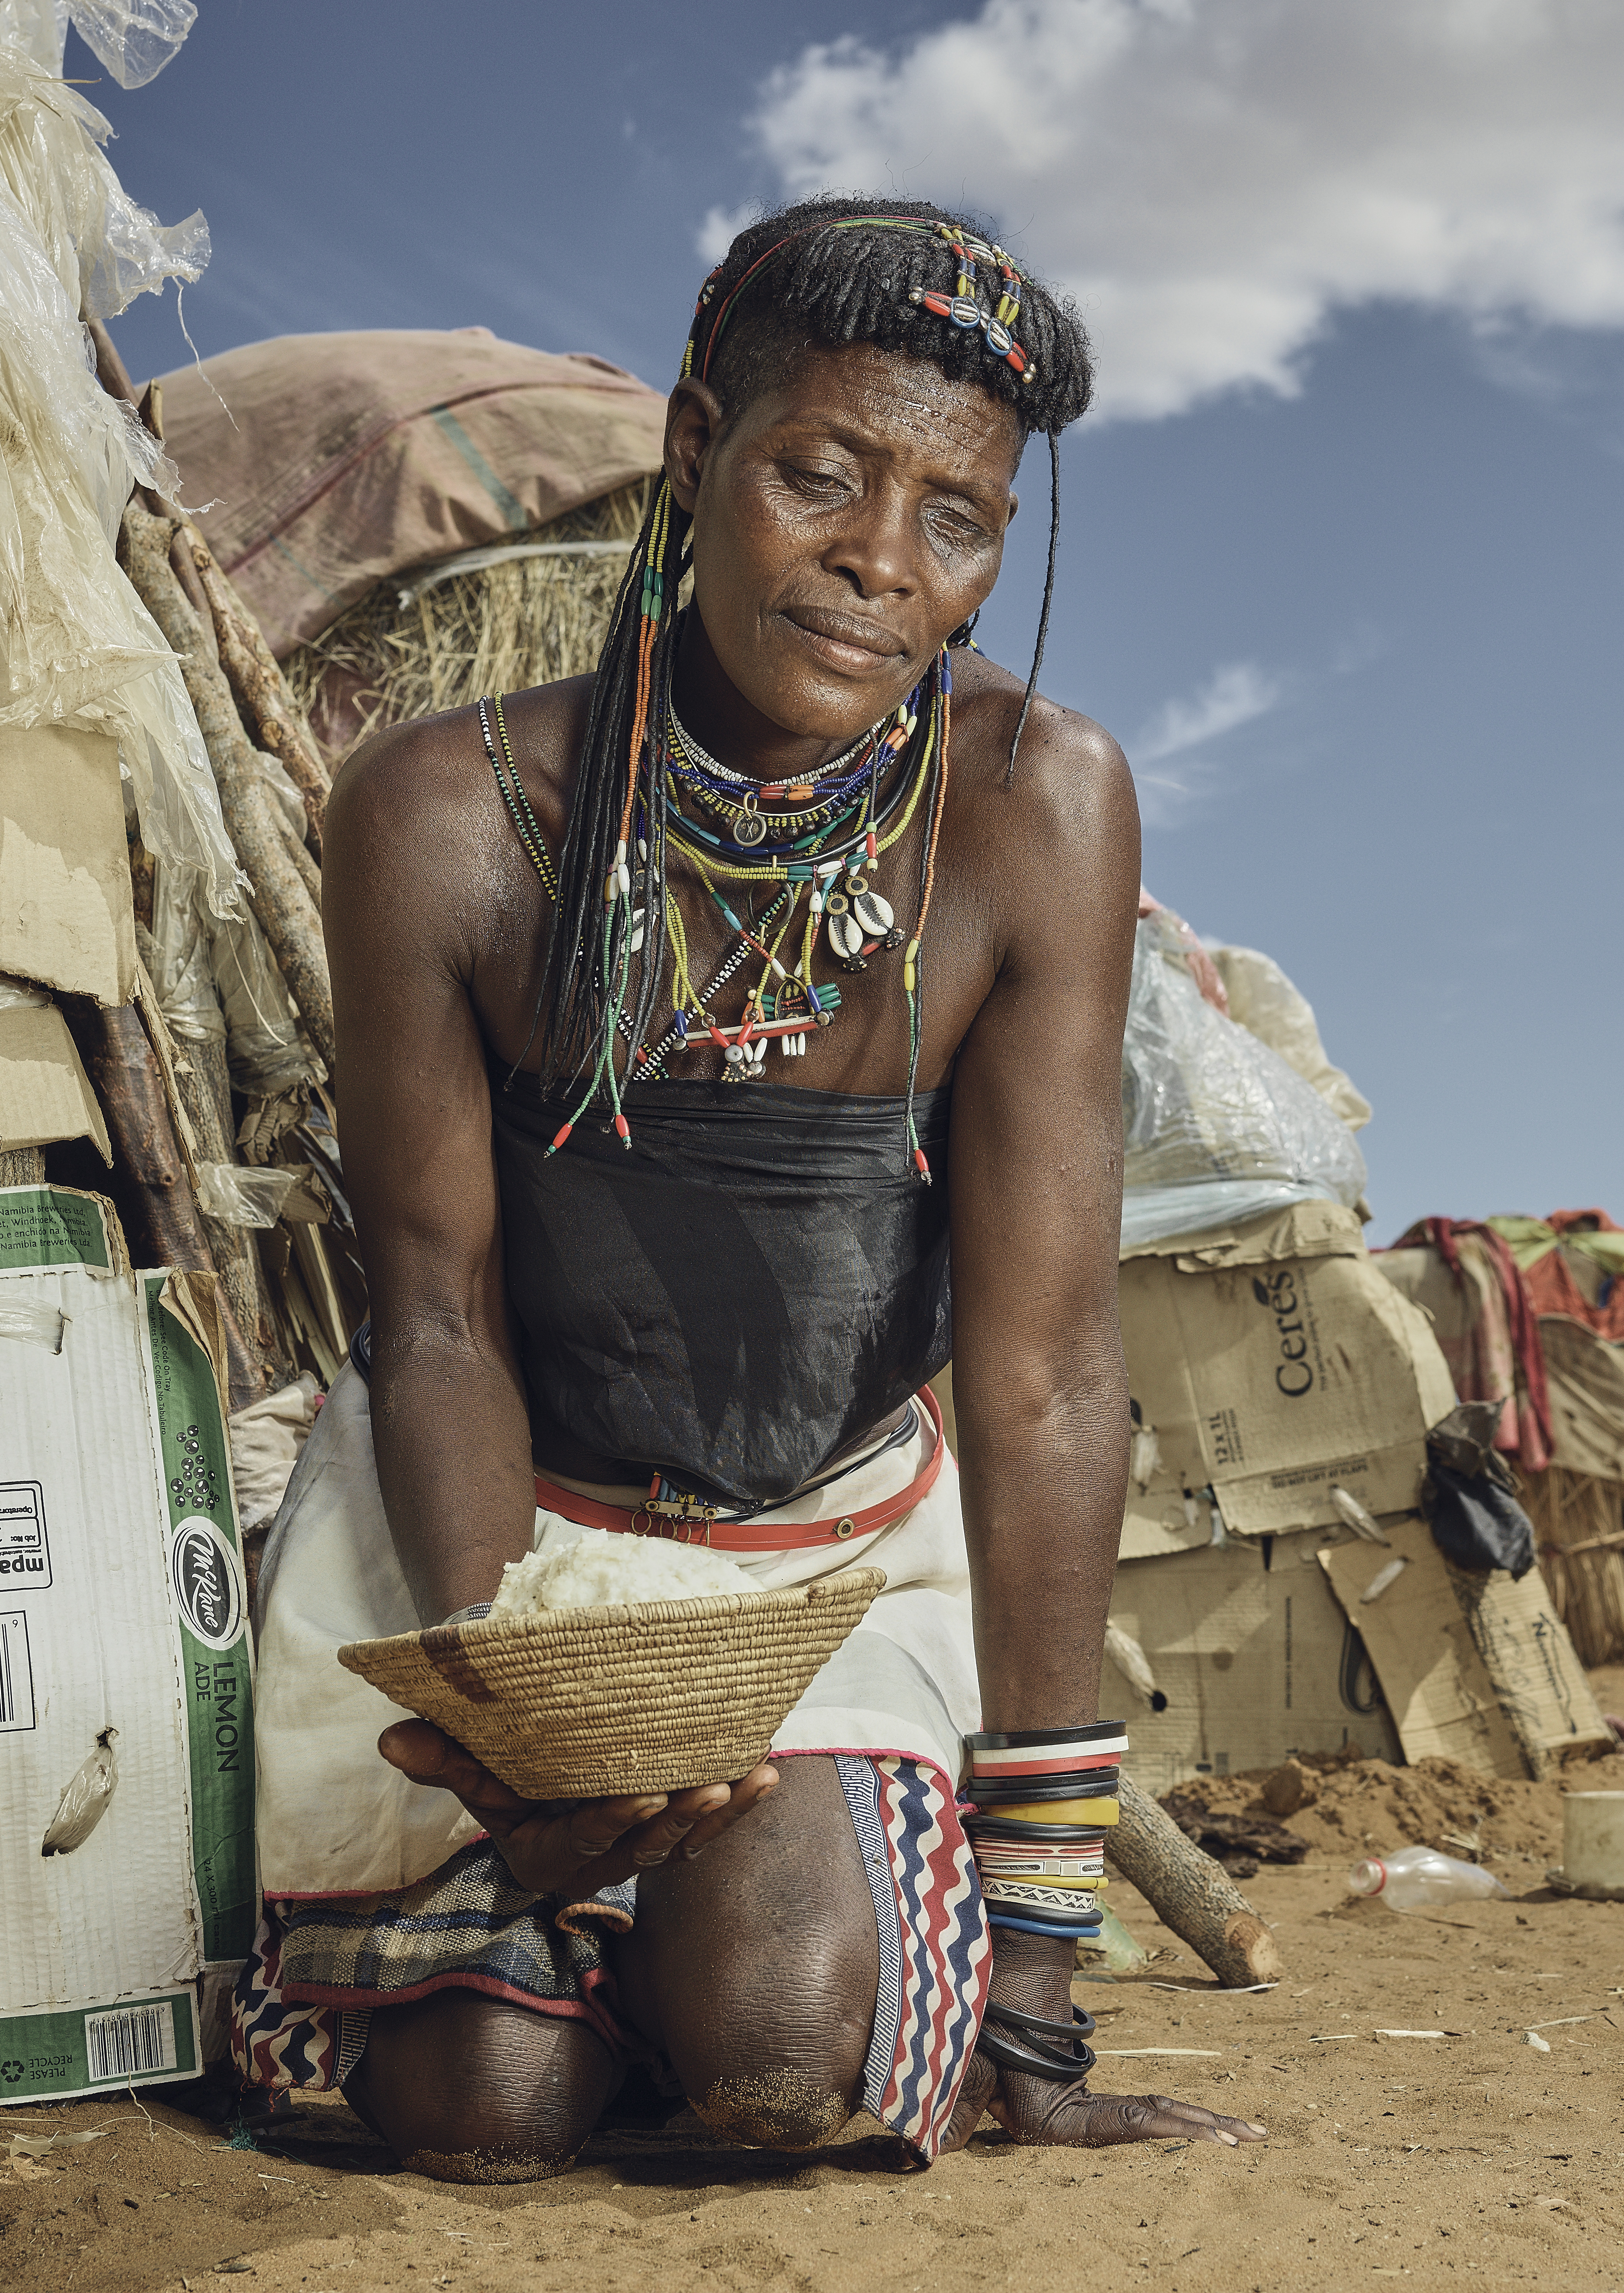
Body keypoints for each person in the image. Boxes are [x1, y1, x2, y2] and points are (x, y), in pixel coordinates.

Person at [233, 201, 1255, 2179]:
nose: (884, 561)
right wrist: (528, 1711)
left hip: (825, 1558)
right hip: (501, 1537)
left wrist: (1038, 1973)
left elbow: (1044, 1376)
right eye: (820, 476)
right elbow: (438, 1317)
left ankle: (779, 1950)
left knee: (774, 2034)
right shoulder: (450, 821)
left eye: (956, 518)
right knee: (481, 2114)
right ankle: (553, 1989)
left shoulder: (1032, 809)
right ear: (696, 447)